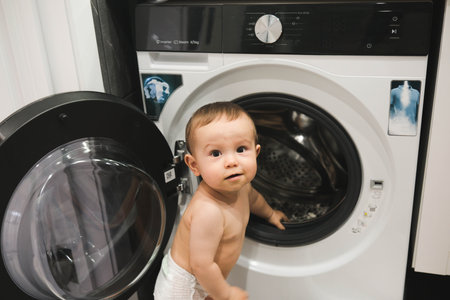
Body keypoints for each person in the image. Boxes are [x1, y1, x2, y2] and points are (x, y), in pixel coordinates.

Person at [153, 102, 288, 300]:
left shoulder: (242, 187)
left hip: (205, 281)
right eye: (216, 153)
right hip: (183, 289)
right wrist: (226, 294)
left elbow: (254, 199)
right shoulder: (208, 211)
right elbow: (202, 265)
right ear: (194, 165)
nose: (232, 161)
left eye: (241, 149)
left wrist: (270, 214)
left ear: (256, 152)